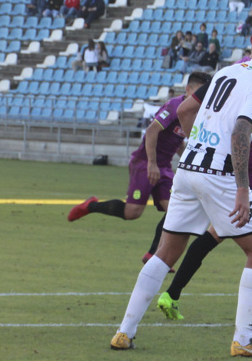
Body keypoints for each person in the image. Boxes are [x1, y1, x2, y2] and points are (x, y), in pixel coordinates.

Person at [108, 22, 252, 357]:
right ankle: (244, 340)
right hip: (219, 175)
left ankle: (124, 332)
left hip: (187, 169)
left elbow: (184, 110)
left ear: (251, 45)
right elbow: (240, 132)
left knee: (165, 252)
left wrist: (196, 144)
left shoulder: (223, 73)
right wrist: (240, 188)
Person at [156, 17, 252, 321]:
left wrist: (198, 142)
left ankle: (171, 293)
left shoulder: (235, 68)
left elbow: (190, 109)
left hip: (225, 159)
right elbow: (248, 126)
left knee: (222, 229)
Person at [68, 73, 213, 259]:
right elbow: (153, 130)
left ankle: (153, 254)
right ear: (188, 90)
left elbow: (176, 140)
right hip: (145, 163)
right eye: (198, 92)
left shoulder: (195, 112)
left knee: (175, 210)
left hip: (164, 166)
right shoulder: (174, 106)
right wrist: (151, 163)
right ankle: (91, 205)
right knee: (132, 213)